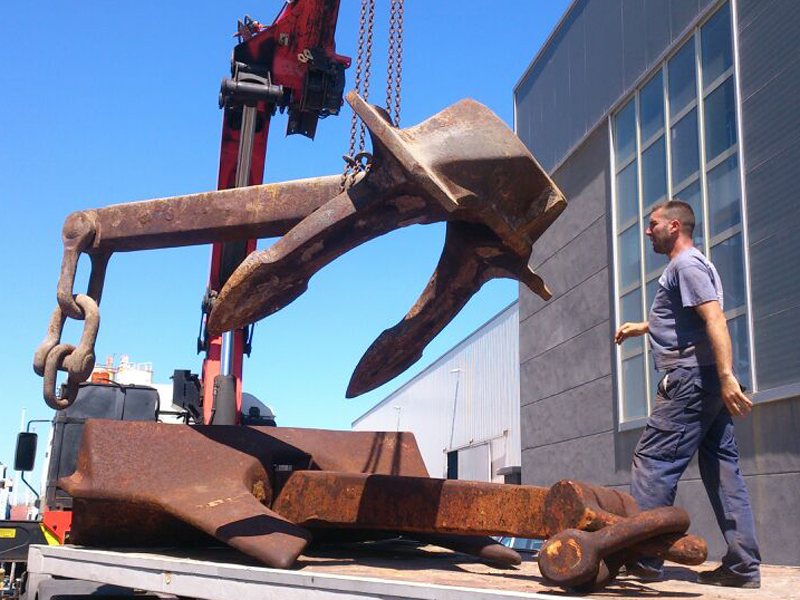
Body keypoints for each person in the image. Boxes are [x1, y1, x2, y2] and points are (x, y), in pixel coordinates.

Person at [614, 200, 761, 589]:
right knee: (723, 470)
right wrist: (646, 327)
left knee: (653, 460)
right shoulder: (698, 264)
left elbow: (714, 318)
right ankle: (744, 566)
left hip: (690, 381)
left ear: (674, 226)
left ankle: (644, 556)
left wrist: (729, 376)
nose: (648, 231)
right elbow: (688, 319)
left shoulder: (685, 265)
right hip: (706, 379)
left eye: (653, 224)